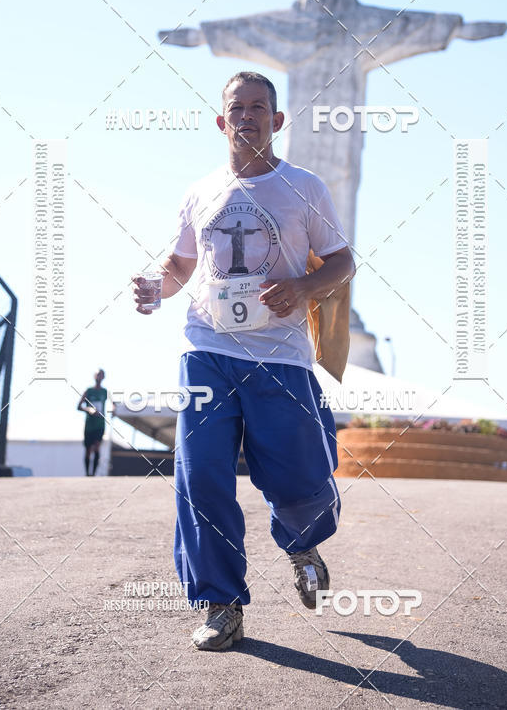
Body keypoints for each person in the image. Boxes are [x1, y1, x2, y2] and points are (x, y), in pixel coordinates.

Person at [132, 71, 355, 651]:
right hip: (206, 349)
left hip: (281, 357)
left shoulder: (305, 187)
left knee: (301, 479)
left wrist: (305, 289)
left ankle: (302, 541)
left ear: (277, 121)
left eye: (260, 107)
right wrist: (157, 286)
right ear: (221, 120)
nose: (248, 116)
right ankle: (220, 603)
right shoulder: (199, 191)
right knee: (199, 474)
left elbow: (341, 260)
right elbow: (181, 266)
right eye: (238, 108)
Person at [77, 369, 107, 476]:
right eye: (98, 375)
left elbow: (113, 404)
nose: (99, 377)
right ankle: (87, 474)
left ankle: (93, 474)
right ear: (94, 376)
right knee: (88, 450)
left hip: (100, 424)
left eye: (101, 375)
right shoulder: (88, 391)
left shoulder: (105, 392)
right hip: (89, 425)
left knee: (97, 447)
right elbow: (79, 406)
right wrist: (88, 409)